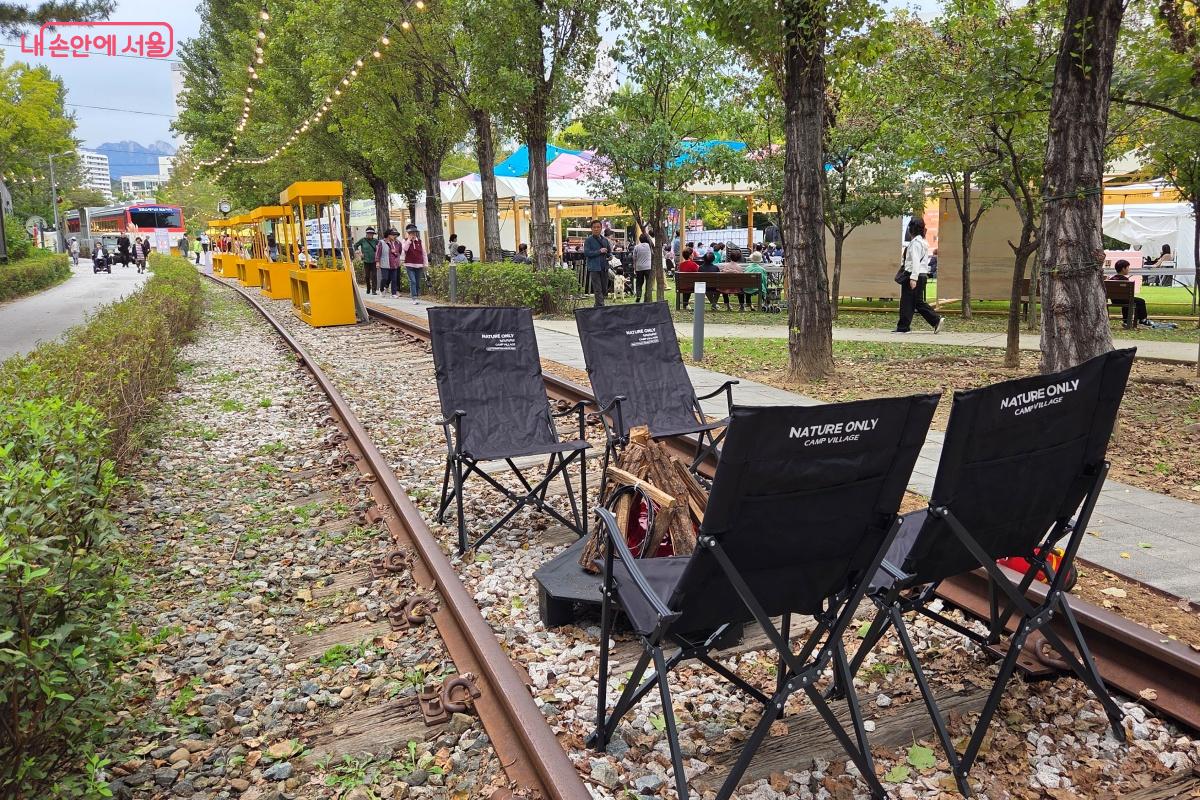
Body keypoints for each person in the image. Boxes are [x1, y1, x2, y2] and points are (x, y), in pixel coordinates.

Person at [894, 217, 944, 334]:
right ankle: (903, 326)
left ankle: (935, 319)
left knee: (915, 302)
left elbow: (916, 261)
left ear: (912, 229)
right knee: (908, 301)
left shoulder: (916, 243)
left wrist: (913, 278)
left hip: (914, 275)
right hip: (920, 275)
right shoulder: (922, 242)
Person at [1107, 259, 1149, 326]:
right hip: (1124, 299)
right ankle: (1143, 319)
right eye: (1128, 268)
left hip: (1114, 300)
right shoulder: (1125, 280)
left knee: (1126, 300)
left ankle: (1126, 321)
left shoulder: (1111, 279)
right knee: (1140, 301)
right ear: (1123, 269)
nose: (1129, 269)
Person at [583, 219, 611, 307]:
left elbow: (609, 252)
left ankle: (597, 306)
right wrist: (599, 251)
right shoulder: (588, 240)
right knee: (597, 289)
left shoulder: (605, 240)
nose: (596, 229)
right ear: (591, 229)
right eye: (594, 227)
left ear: (601, 228)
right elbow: (587, 253)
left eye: (598, 227)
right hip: (594, 268)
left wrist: (610, 256)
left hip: (604, 267)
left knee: (604, 289)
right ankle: (601, 307)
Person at [401, 223, 428, 303]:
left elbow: (424, 253)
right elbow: (404, 249)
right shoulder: (405, 241)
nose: (413, 234)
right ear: (408, 234)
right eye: (411, 233)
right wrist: (409, 241)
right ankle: (414, 297)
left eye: (414, 233)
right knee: (412, 281)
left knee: (417, 281)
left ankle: (416, 295)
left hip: (419, 264)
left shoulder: (420, 241)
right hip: (409, 264)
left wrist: (425, 264)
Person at [353, 227, 380, 295]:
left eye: (371, 234)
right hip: (366, 260)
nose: (370, 235)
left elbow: (380, 247)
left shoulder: (375, 241)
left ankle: (374, 290)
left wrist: (378, 256)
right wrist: (358, 252)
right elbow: (355, 245)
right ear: (366, 233)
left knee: (374, 276)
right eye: (369, 233)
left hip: (374, 261)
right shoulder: (363, 240)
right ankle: (368, 288)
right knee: (367, 276)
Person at [379, 228, 401, 296]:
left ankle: (394, 293)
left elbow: (399, 252)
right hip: (385, 263)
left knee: (394, 279)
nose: (394, 236)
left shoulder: (397, 243)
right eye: (393, 235)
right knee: (385, 278)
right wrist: (377, 262)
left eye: (396, 235)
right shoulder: (382, 242)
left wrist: (398, 259)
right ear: (388, 235)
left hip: (394, 263)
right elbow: (378, 253)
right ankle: (382, 289)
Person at [632, 234, 653, 302]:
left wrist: (634, 268)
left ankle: (638, 295)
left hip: (639, 267)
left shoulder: (637, 247)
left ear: (640, 239)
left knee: (639, 283)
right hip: (648, 267)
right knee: (648, 283)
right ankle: (647, 296)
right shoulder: (650, 246)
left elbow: (634, 258)